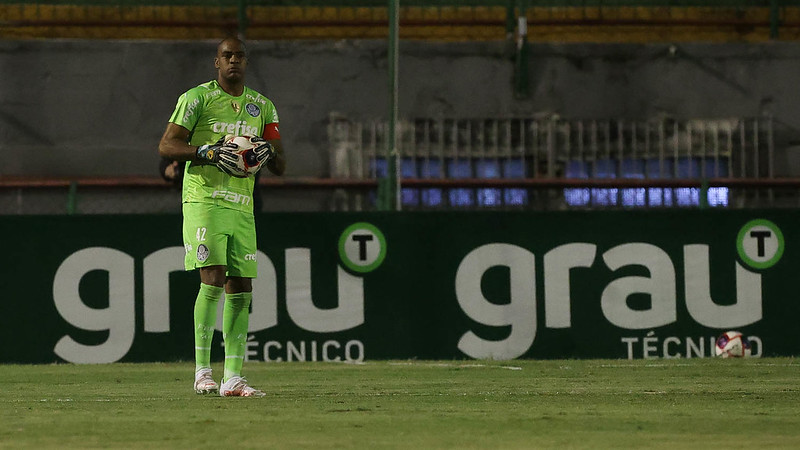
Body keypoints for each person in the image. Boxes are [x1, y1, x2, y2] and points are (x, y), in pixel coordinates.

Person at [158, 37, 285, 397]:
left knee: (241, 286)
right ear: (217, 62)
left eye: (239, 56)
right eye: (226, 56)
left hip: (242, 206)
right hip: (204, 200)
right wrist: (206, 151)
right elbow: (167, 145)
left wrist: (264, 151)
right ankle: (202, 372)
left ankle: (233, 378)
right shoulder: (197, 98)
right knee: (212, 278)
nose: (233, 61)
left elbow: (281, 164)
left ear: (247, 61)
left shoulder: (263, 107)